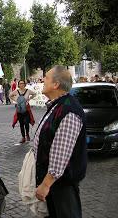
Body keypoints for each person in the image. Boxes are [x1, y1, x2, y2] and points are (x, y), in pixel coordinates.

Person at [34, 66, 87, 218]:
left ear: (56, 84)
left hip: (62, 186)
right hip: (55, 184)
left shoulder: (68, 110)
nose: (43, 80)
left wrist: (45, 184)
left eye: (47, 77)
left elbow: (60, 153)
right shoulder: (58, 105)